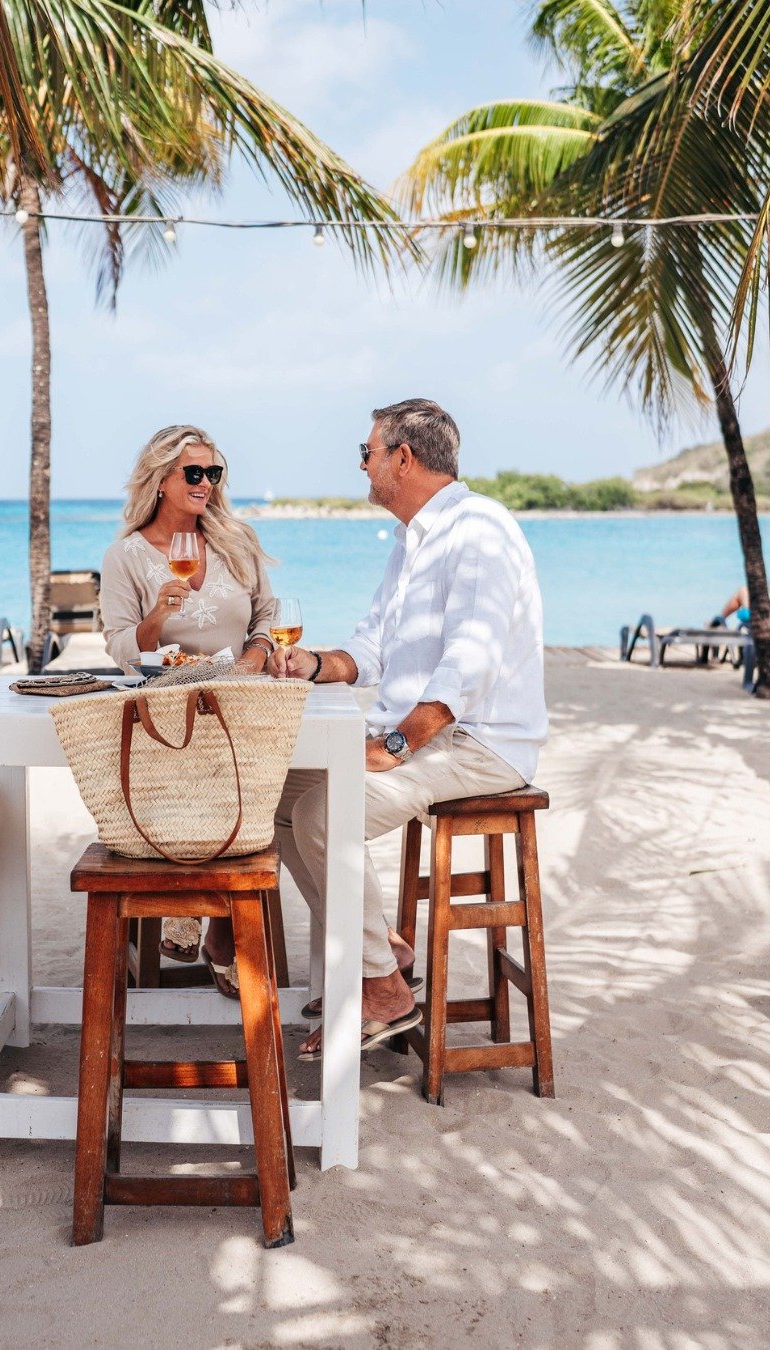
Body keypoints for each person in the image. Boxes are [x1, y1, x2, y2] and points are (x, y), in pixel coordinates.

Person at [270, 398, 548, 1061]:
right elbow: (371, 648)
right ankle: (385, 950)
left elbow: (469, 666)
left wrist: (394, 746)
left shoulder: (479, 528)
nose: (361, 466)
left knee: (321, 812)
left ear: (403, 456)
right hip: (428, 736)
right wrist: (311, 664)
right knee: (278, 797)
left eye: (366, 453)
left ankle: (383, 990)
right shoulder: (410, 540)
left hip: (479, 743)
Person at [100, 424, 276, 996]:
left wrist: (255, 657)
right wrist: (157, 614)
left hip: (238, 703)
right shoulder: (126, 556)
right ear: (160, 481)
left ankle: (209, 923)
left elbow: (267, 616)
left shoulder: (236, 540)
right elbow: (122, 645)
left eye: (213, 473)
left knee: (260, 778)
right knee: (205, 772)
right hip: (165, 714)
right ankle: (214, 923)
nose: (205, 484)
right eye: (193, 473)